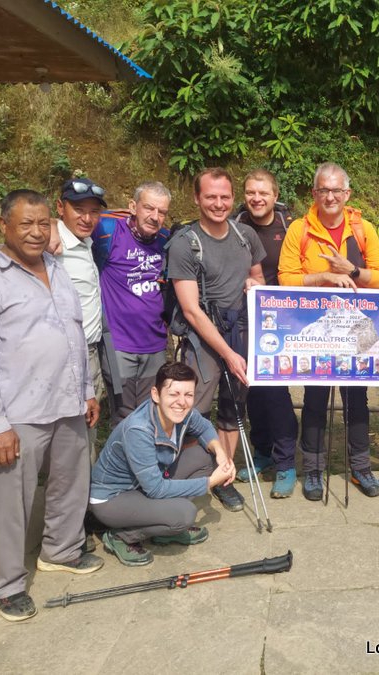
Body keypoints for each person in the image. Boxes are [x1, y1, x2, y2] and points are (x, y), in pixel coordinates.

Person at [0, 189, 103, 622]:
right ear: (4, 226)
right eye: (26, 224)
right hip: (18, 412)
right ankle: (5, 584)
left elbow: (74, 333)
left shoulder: (56, 268)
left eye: (43, 224)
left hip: (68, 401)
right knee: (11, 501)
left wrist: (87, 391)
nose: (37, 232)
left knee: (70, 483)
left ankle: (61, 550)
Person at [0, 178, 108, 465]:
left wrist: (86, 388)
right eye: (78, 209)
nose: (87, 218)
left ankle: (82, 505)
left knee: (76, 460)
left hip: (80, 367)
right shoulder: (41, 249)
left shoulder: (86, 244)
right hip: (26, 393)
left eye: (94, 211)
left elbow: (135, 216)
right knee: (22, 469)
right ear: (60, 209)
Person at [278, 162, 379, 500]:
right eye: (323, 190)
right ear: (314, 193)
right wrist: (324, 277)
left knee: (357, 399)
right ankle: (313, 470)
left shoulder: (363, 229)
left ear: (347, 194)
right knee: (314, 399)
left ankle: (360, 467)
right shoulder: (300, 229)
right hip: (316, 329)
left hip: (356, 328)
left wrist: (352, 271)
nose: (330, 196)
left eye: (336, 190)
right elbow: (286, 278)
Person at [166, 168, 265, 512]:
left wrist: (255, 284)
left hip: (241, 330)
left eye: (224, 197)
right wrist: (226, 353)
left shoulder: (245, 236)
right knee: (192, 409)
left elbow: (257, 275)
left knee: (233, 408)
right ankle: (187, 477)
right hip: (203, 338)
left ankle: (224, 476)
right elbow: (191, 310)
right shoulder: (184, 244)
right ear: (196, 198)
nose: (218, 204)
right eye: (210, 197)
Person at [89, 362, 236, 566]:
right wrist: (210, 482)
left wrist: (221, 453)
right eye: (174, 394)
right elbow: (156, 489)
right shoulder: (138, 429)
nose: (181, 402)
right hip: (112, 498)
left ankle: (163, 528)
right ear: (156, 395)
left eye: (188, 395)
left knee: (206, 456)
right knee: (185, 515)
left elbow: (204, 428)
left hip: (144, 484)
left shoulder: (184, 412)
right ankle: (123, 536)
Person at [231, 169, 300, 498]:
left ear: (275, 195)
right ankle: (262, 452)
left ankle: (286, 461)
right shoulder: (234, 224)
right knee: (251, 388)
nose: (257, 198)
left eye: (263, 193)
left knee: (275, 390)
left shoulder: (288, 227)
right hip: (243, 317)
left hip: (281, 318)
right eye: (250, 192)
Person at [94, 181, 173, 424]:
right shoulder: (106, 231)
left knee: (152, 412)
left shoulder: (165, 239)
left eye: (162, 212)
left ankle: (146, 461)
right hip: (118, 343)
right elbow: (68, 227)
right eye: (149, 208)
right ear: (132, 206)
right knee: (124, 414)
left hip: (155, 343)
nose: (155, 216)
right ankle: (121, 462)